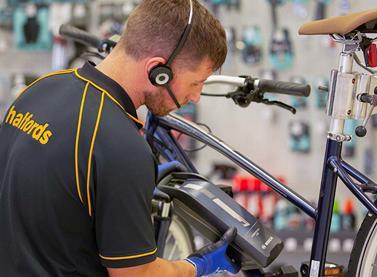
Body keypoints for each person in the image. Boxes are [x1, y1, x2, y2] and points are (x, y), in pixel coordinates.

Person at [0, 0, 240, 276]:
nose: (195, 97)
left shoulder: (39, 89)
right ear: (158, 71)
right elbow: (137, 274)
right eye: (196, 82)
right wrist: (198, 265)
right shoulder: (123, 147)